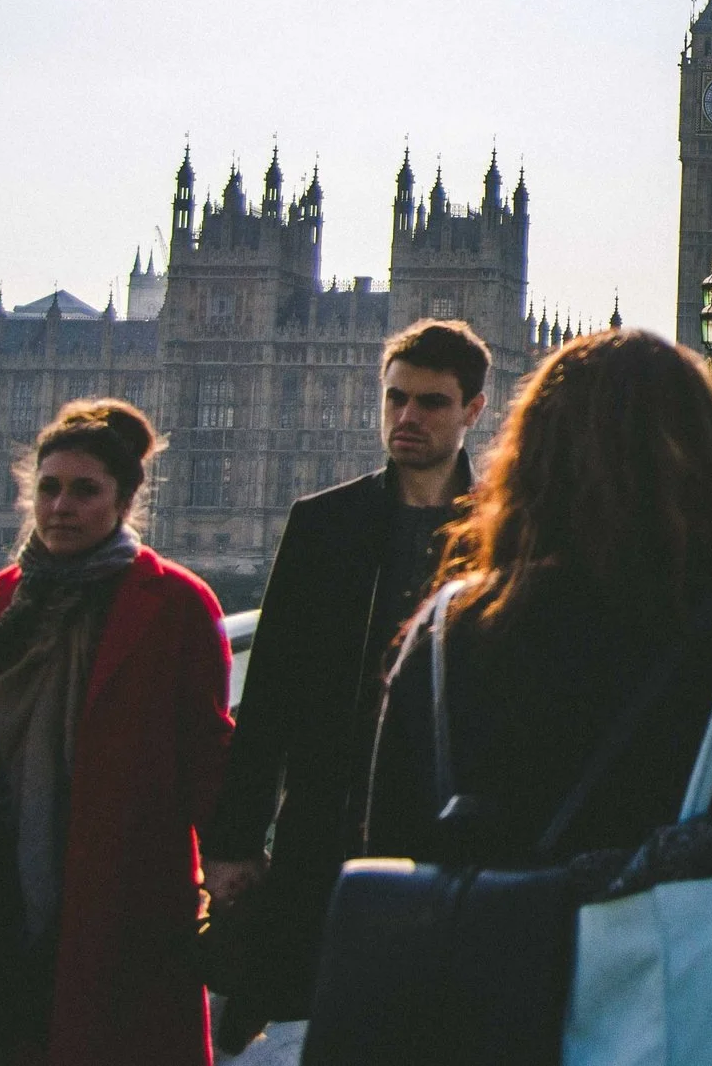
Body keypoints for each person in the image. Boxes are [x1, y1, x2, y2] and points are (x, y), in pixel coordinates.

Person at [362, 325, 712, 920]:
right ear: (705, 460)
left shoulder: (453, 628)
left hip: (497, 987)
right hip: (694, 992)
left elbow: (391, 860)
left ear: (532, 457)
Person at [0, 400, 233, 1065]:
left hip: (120, 893)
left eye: (85, 490)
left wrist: (233, 867)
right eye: (48, 488)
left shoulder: (175, 605)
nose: (61, 506)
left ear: (123, 500)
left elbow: (208, 757)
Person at [197, 320, 490, 1048]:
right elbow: (268, 696)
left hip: (453, 830)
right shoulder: (324, 523)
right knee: (321, 1026)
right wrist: (234, 840)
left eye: (430, 402)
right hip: (327, 825)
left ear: (473, 410)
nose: (406, 418)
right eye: (395, 399)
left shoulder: (505, 533)